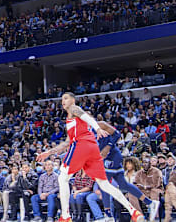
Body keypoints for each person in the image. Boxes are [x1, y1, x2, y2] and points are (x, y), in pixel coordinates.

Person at [37, 92, 146, 222]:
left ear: (73, 100)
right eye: (61, 99)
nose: (63, 101)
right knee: (104, 184)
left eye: (66, 98)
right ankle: (133, 211)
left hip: (81, 145)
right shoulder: (71, 121)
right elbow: (67, 142)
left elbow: (85, 116)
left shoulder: (74, 108)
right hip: (92, 148)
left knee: (62, 177)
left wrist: (97, 128)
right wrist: (49, 152)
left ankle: (65, 216)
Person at [96, 121, 159, 221]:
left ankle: (108, 215)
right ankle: (150, 203)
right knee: (123, 185)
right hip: (103, 158)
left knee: (104, 184)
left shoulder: (100, 124)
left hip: (112, 155)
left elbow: (117, 134)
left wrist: (108, 147)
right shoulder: (80, 133)